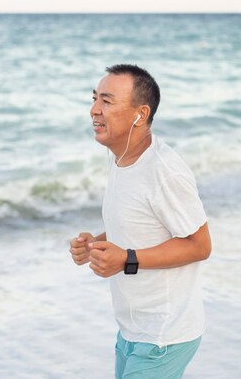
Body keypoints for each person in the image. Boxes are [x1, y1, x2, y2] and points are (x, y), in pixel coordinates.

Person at [69, 64, 211, 379]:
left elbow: (200, 245)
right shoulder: (120, 159)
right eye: (94, 99)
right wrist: (95, 243)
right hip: (132, 331)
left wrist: (126, 260)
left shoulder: (163, 170)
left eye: (106, 101)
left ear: (139, 114)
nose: (94, 110)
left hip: (164, 336)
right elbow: (139, 223)